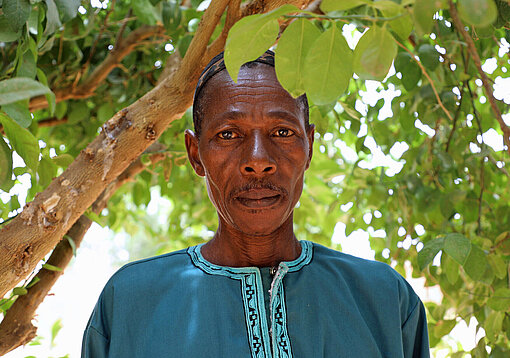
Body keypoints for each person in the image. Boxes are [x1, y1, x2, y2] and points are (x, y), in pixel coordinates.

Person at [81, 51, 429, 357]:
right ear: (195, 154)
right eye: (229, 134)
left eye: (282, 132)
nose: (258, 160)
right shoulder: (130, 301)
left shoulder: (383, 298)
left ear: (308, 145)